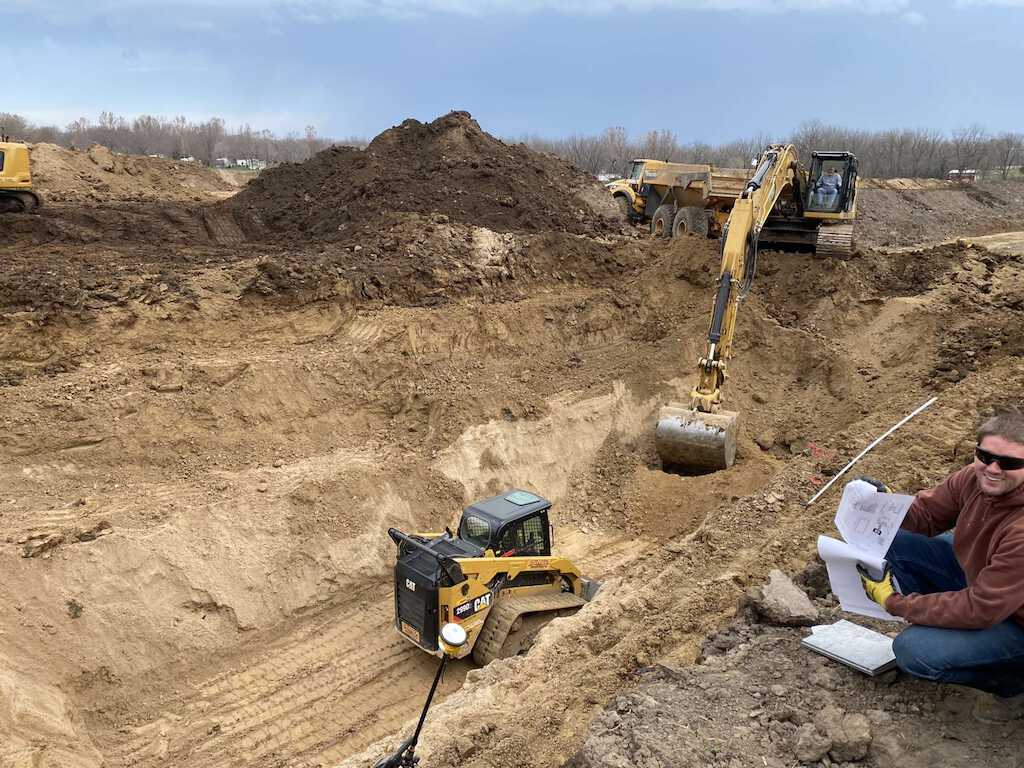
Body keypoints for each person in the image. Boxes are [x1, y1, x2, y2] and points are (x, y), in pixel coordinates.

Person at [859, 408, 1024, 722]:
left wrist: (894, 603)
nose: (993, 469)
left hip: (1015, 622)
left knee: (914, 652)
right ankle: (944, 624)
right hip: (986, 585)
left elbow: (980, 609)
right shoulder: (974, 478)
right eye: (984, 456)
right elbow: (926, 516)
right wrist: (887, 504)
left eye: (1010, 463)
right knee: (895, 538)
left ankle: (1010, 681)